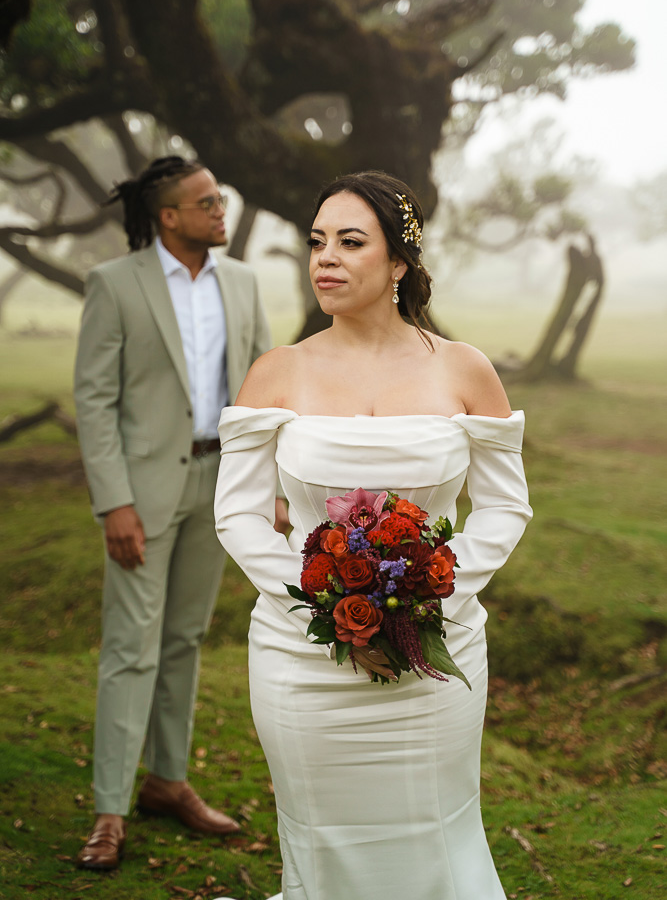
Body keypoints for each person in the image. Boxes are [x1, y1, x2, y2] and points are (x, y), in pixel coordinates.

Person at [212, 170, 533, 900]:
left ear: (398, 264)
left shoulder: (462, 368)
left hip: (436, 654)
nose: (324, 257)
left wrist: (427, 594)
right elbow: (236, 513)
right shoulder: (276, 372)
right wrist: (319, 601)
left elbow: (504, 507)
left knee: (433, 828)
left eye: (349, 242)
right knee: (321, 836)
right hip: (304, 660)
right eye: (316, 241)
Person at [74, 155, 286, 871]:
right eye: (206, 201)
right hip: (143, 495)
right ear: (168, 216)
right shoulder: (114, 285)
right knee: (130, 647)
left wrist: (275, 486)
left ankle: (167, 781)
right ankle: (109, 810)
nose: (220, 208)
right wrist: (114, 502)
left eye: (220, 198)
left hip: (219, 485)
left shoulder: (243, 282)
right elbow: (95, 401)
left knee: (184, 638)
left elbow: (261, 394)